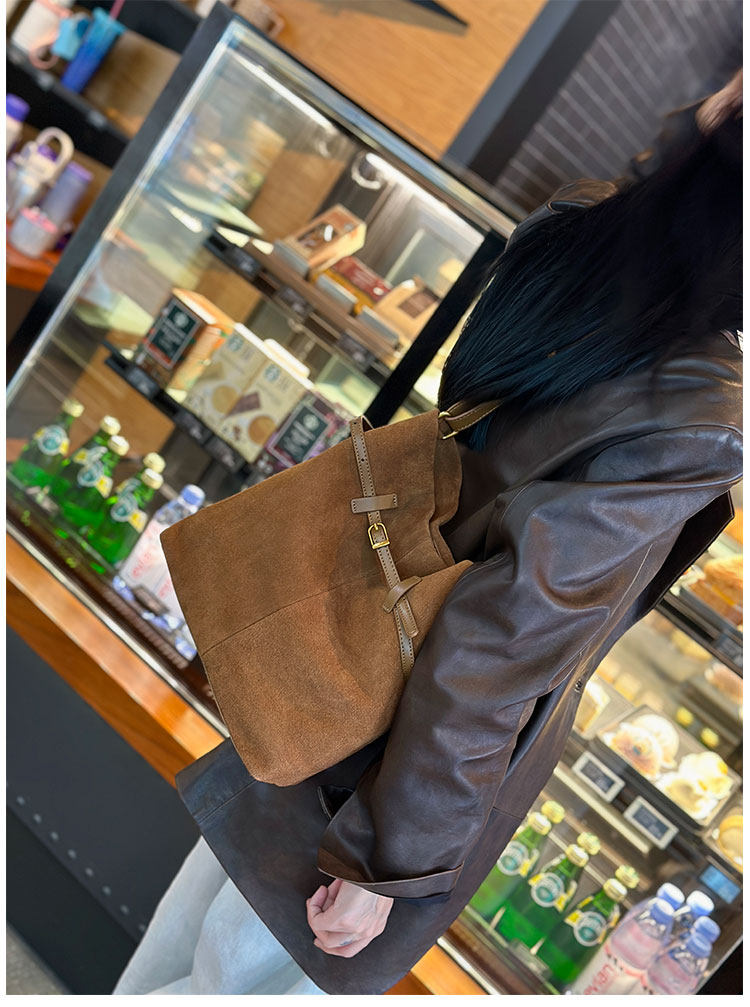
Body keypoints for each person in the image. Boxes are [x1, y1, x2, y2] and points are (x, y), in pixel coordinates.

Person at [113, 79, 742, 996]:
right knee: (233, 980)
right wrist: (389, 859)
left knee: (179, 955)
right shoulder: (699, 413)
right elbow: (503, 639)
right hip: (400, 764)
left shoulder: (579, 225)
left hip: (337, 657)